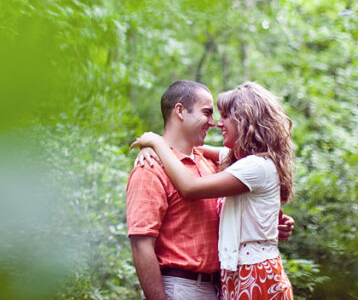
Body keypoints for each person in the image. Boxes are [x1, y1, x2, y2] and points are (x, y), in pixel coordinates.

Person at [126, 80, 294, 300]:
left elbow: (199, 191)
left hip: (223, 285)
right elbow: (141, 245)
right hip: (181, 287)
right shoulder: (150, 168)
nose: (215, 123)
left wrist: (268, 223)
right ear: (180, 111)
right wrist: (153, 145)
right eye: (208, 113)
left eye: (222, 116)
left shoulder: (218, 165)